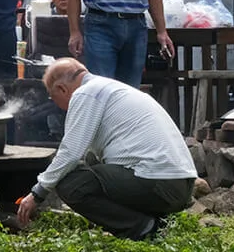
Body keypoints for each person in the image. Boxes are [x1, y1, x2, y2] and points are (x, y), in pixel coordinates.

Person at [15, 58, 196, 241]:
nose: (57, 106)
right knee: (92, 164)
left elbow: (70, 152)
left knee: (70, 185)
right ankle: (156, 221)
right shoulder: (109, 88)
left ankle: (141, 227)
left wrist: (37, 193)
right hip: (181, 186)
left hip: (160, 184)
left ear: (62, 89)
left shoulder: (85, 93)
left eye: (53, 98)